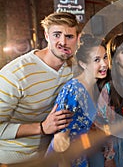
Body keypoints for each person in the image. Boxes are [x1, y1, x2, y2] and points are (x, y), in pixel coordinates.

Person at [0, 12, 80, 164]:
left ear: (77, 38)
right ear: (47, 35)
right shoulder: (15, 74)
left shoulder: (73, 67)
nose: (63, 42)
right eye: (57, 35)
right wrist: (42, 128)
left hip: (51, 153)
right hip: (14, 158)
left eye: (69, 36)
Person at [45, 34, 109, 167]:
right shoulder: (73, 90)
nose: (104, 64)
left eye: (105, 57)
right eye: (96, 60)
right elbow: (60, 139)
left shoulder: (94, 86)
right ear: (83, 64)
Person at [93, 33, 123, 167]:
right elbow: (103, 126)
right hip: (109, 149)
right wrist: (109, 157)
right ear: (116, 58)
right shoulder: (108, 87)